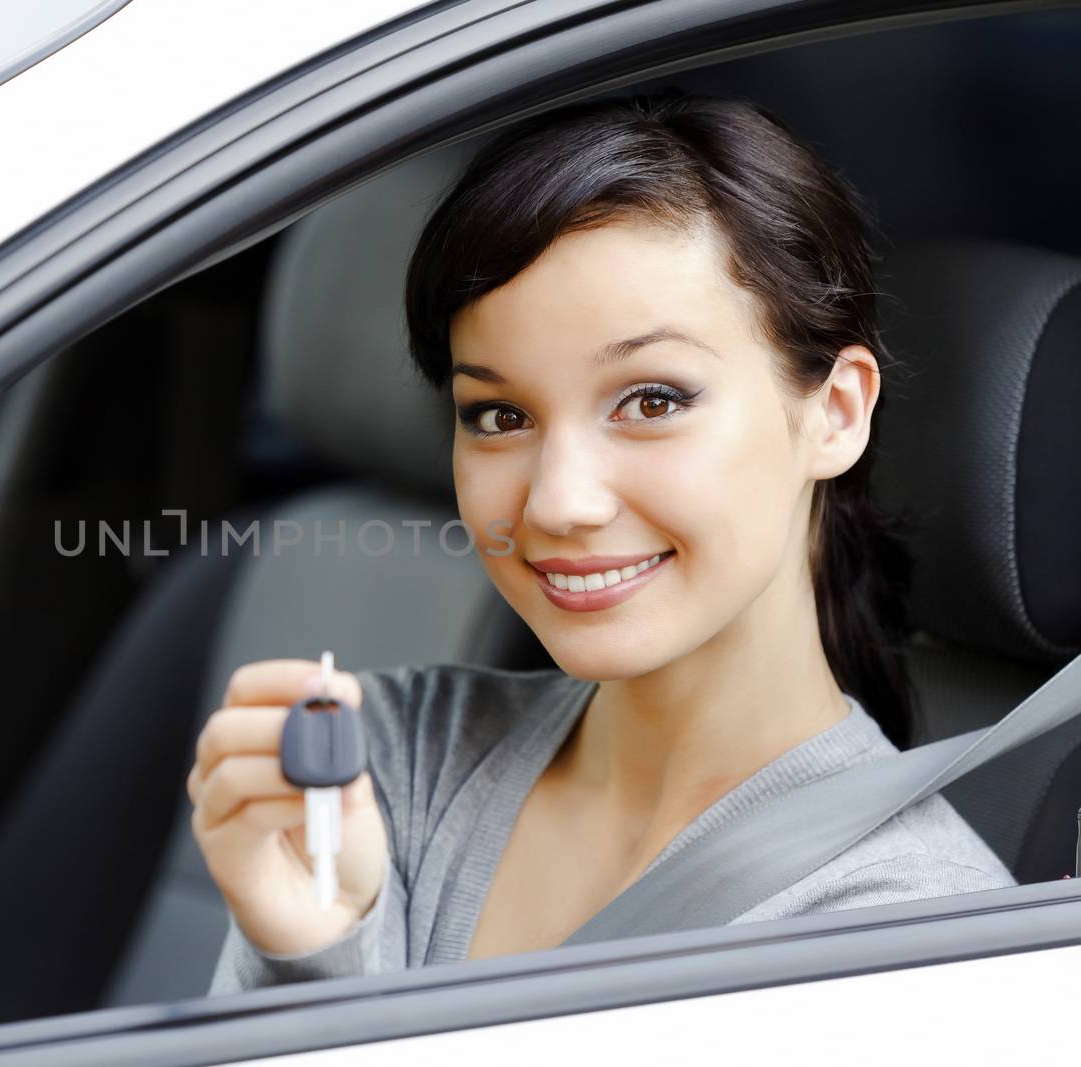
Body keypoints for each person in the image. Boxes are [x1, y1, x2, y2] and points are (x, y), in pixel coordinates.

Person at [186, 89, 1014, 993]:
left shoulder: (912, 936)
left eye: (652, 400)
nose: (559, 502)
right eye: (499, 414)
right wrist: (315, 958)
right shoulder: (386, 763)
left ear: (837, 412)